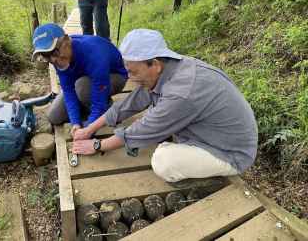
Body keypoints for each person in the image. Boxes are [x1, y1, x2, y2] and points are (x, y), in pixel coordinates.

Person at [72, 29, 258, 183]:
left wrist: (98, 145)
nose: (130, 78)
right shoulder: (169, 67)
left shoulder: (181, 92)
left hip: (229, 152)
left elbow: (141, 130)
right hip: (212, 131)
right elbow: (130, 103)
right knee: (156, 117)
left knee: (163, 160)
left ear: (155, 64)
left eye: (133, 72)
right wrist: (90, 128)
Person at [32, 23, 128, 135]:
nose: (53, 59)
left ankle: (106, 109)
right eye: (46, 55)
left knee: (82, 87)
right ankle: (89, 108)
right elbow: (68, 90)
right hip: (86, 79)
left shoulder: (94, 53)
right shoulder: (56, 58)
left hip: (114, 77)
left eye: (54, 52)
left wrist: (88, 127)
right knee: (54, 116)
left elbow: (97, 98)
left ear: (67, 40)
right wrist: (75, 123)